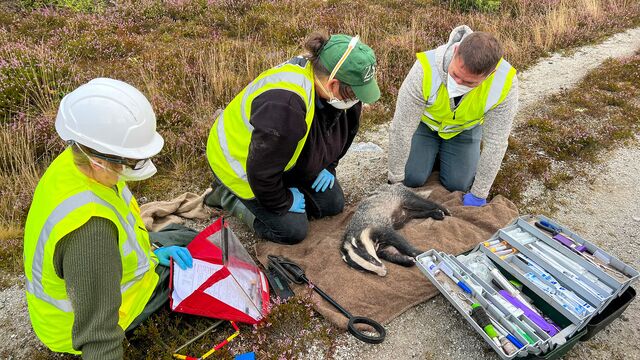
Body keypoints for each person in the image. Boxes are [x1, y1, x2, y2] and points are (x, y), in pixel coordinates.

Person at [23, 78, 195, 359]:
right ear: (98, 159)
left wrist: (153, 253)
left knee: (184, 237)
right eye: (129, 160)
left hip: (108, 278)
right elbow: (98, 337)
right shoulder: (91, 232)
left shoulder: (75, 162)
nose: (132, 167)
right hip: (81, 326)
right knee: (194, 268)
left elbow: (123, 229)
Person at [205, 32, 380, 244]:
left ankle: (284, 186)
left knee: (332, 205)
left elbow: (341, 135)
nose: (360, 100)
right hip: (240, 164)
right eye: (356, 93)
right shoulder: (285, 105)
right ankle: (228, 196)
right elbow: (261, 171)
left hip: (280, 154)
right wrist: (283, 201)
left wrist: (329, 166)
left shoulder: (341, 93)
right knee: (292, 231)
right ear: (333, 84)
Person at [387, 25, 519, 206]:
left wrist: (479, 193)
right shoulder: (426, 68)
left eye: (469, 82)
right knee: (412, 177)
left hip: (464, 130)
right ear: (456, 51)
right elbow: (401, 128)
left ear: (490, 74)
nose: (458, 83)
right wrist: (395, 180)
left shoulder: (505, 84)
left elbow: (496, 142)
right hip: (426, 125)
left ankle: (439, 155)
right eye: (456, 74)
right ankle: (428, 154)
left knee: (458, 184)